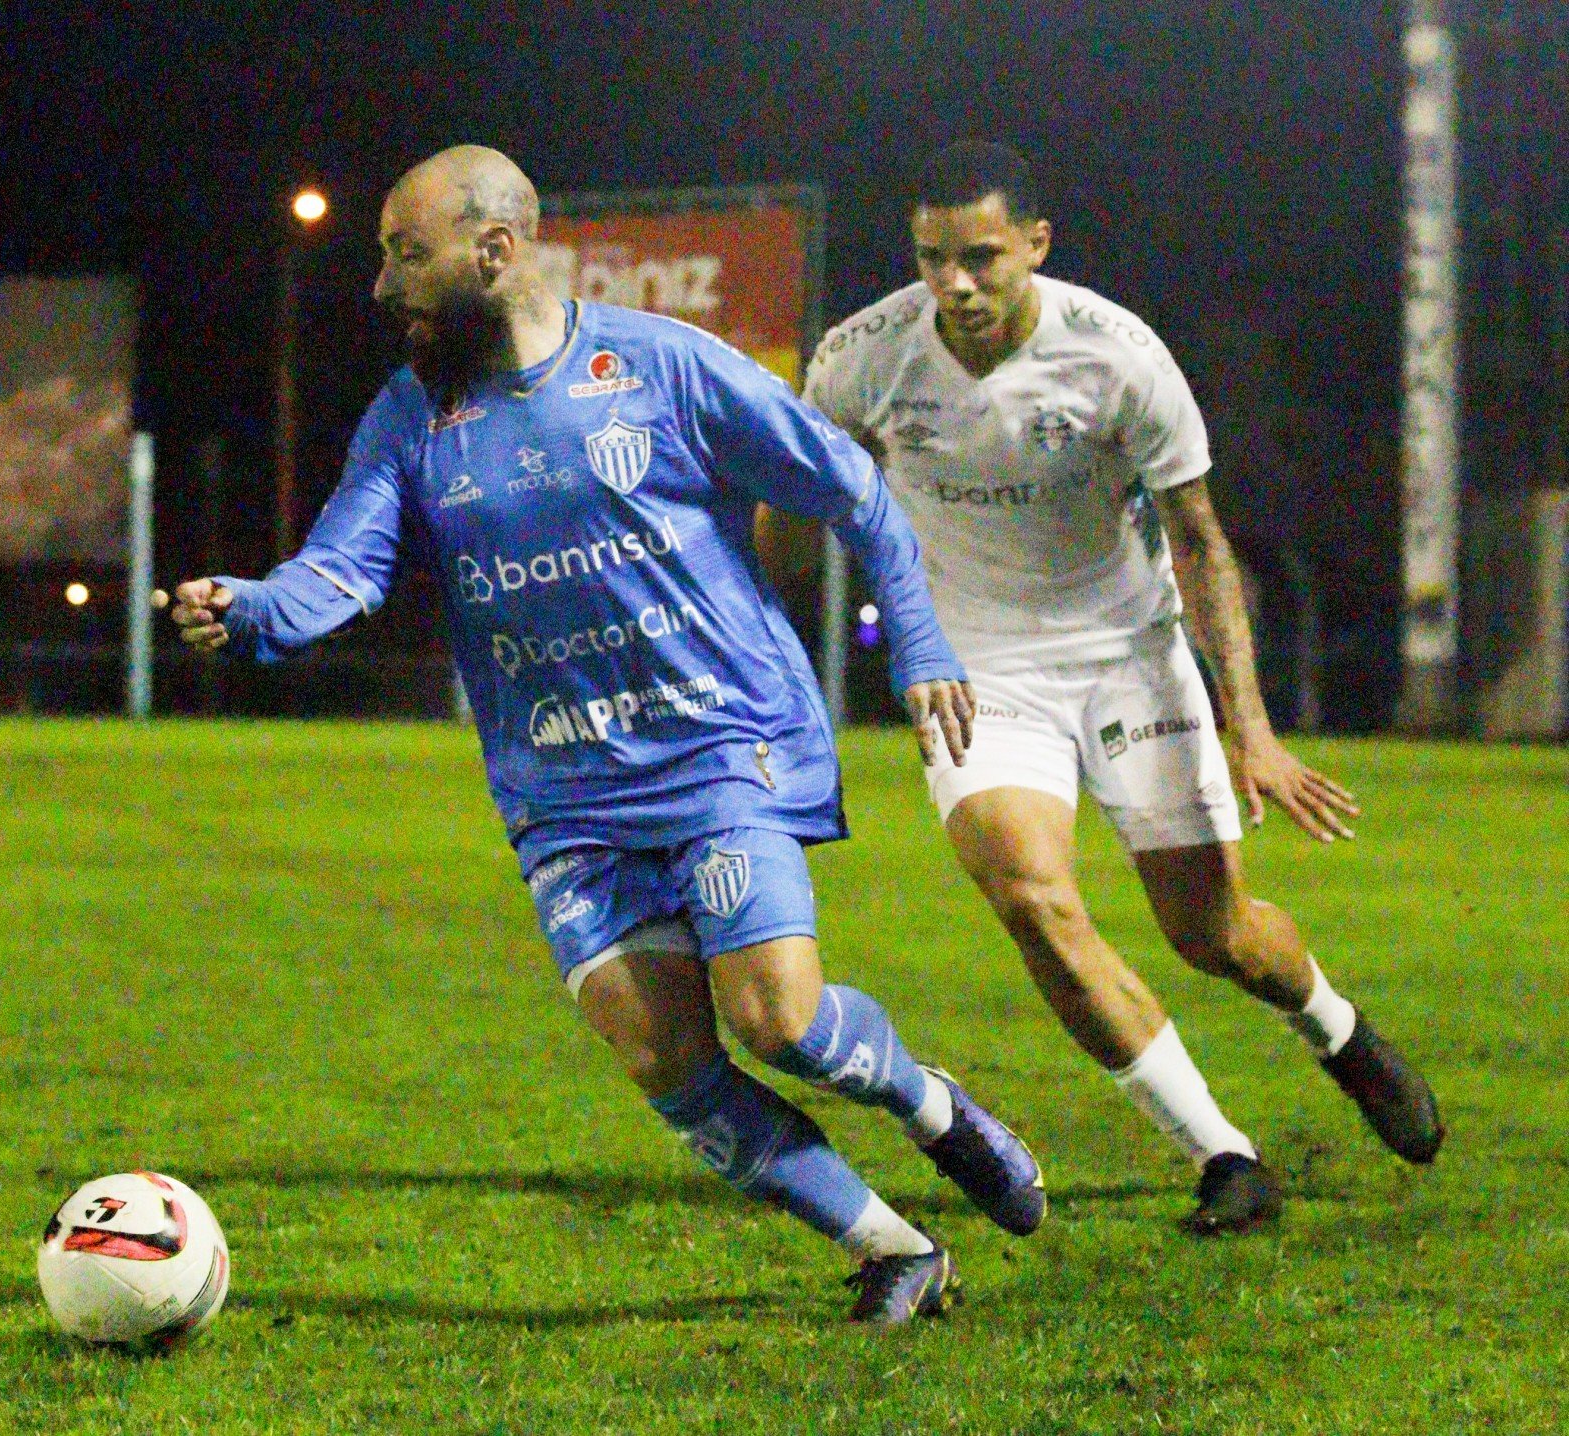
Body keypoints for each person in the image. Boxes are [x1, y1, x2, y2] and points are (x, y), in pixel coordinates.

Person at [172, 145, 1047, 1326]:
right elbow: (341, 568)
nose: (384, 286)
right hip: (563, 795)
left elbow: (854, 489)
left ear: (495, 251)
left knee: (778, 1018)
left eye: (405, 253)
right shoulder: (410, 417)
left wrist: (927, 649)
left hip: (716, 749)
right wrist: (253, 606)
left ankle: (933, 1107)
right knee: (664, 1060)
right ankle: (893, 1246)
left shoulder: (660, 365)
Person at [803, 142, 1442, 1234]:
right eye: (930, 258)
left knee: (1215, 932)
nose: (952, 283)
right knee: (1033, 900)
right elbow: (796, 491)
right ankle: (1224, 1156)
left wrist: (1254, 732)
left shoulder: (1119, 356)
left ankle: (1336, 1028)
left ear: (1037, 246)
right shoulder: (862, 358)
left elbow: (1198, 543)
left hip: (1127, 652)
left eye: (981, 257)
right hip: (978, 670)